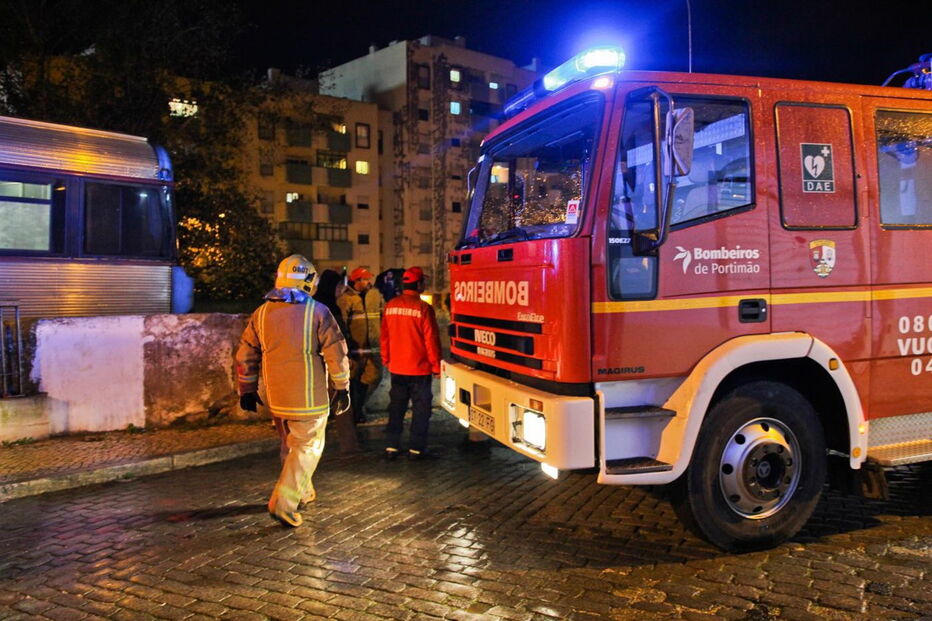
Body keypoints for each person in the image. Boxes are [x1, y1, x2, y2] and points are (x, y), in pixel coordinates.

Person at [235, 254, 351, 527]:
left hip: (277, 399)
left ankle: (304, 491)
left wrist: (247, 389)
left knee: (292, 445)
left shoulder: (261, 313)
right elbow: (337, 353)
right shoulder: (318, 311)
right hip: (309, 399)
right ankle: (284, 503)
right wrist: (342, 387)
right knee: (308, 447)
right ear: (309, 280)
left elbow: (245, 354)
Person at [380, 266, 441, 460]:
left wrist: (387, 359)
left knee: (396, 408)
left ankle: (391, 446)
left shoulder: (391, 305)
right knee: (421, 410)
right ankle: (416, 449)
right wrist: (436, 366)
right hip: (419, 369)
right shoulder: (423, 308)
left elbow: (385, 337)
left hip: (397, 368)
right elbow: (431, 341)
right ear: (419, 284)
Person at [337, 267, 383, 428]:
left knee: (374, 377)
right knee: (354, 381)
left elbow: (383, 315)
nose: (368, 282)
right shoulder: (346, 299)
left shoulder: (375, 295)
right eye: (364, 279)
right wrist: (347, 348)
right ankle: (355, 413)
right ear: (356, 281)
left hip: (373, 347)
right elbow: (341, 325)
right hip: (355, 349)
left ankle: (358, 407)